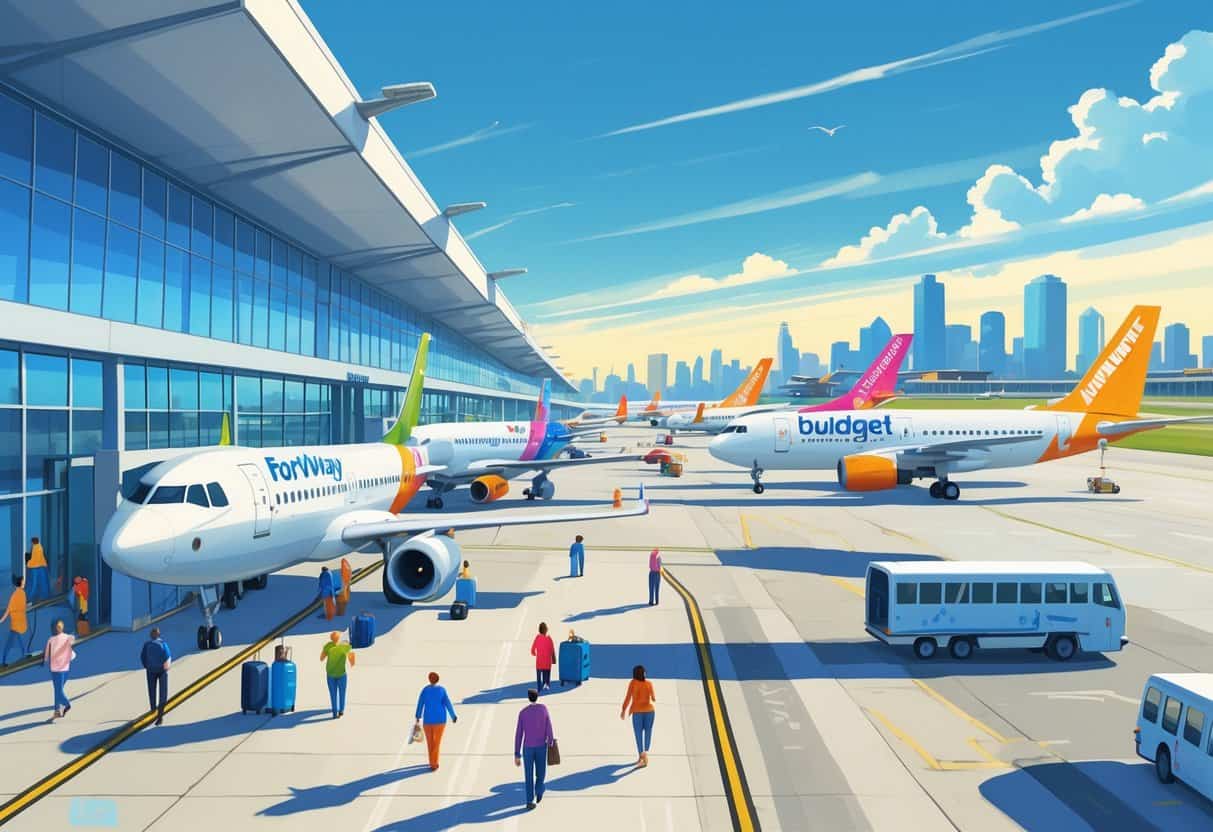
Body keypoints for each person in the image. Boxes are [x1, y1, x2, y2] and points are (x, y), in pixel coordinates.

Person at [514, 688, 555, 810]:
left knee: (528, 775)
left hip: (528, 748)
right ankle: (539, 790)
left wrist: (517, 754)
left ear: (528, 698)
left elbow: (519, 734)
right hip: (541, 746)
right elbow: (549, 726)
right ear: (537, 697)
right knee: (541, 772)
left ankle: (529, 801)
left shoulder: (523, 713)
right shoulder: (543, 709)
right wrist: (550, 741)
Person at [414, 671, 457, 770]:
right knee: (437, 742)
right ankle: (434, 763)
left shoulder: (425, 690)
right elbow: (447, 703)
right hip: (440, 720)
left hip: (428, 720)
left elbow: (420, 703)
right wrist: (453, 716)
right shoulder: (442, 690)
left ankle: (431, 762)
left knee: (430, 742)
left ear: (429, 679)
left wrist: (418, 716)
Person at [621, 664, 656, 767]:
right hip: (650, 711)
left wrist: (623, 710)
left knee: (638, 734)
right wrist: (651, 697)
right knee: (648, 731)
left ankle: (641, 756)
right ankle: (645, 753)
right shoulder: (649, 683)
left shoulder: (632, 683)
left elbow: (628, 698)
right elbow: (653, 698)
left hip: (637, 712)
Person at [43, 620, 74, 719]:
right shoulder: (68, 637)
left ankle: (66, 704)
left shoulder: (51, 639)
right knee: (58, 690)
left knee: (58, 691)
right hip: (66, 668)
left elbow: (46, 654)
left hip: (56, 669)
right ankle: (57, 711)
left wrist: (44, 660)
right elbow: (72, 642)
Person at [140, 627, 172, 725]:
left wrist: (147, 666)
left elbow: (142, 657)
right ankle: (160, 717)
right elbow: (168, 657)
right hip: (162, 671)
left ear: (151, 635)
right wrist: (166, 668)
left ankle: (153, 709)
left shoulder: (147, 645)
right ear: (159, 635)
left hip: (151, 670)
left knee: (152, 691)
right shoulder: (163, 644)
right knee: (163, 693)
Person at [321, 631, 355, 719]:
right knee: (342, 693)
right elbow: (352, 658)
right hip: (341, 674)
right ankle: (341, 710)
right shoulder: (344, 646)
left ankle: (334, 713)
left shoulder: (328, 646)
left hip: (330, 674)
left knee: (333, 694)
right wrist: (352, 662)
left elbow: (321, 658)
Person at [1, 575, 29, 666]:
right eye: (23, 582)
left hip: (17, 623)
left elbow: (9, 610)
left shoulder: (18, 594)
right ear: (19, 583)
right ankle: (4, 661)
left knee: (17, 641)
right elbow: (9, 610)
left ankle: (5, 660)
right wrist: (1, 620)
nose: (24, 583)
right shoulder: (19, 594)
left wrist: (1, 620)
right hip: (18, 624)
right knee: (12, 642)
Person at [531, 622, 556, 692]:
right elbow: (552, 649)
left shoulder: (537, 638)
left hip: (539, 662)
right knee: (546, 675)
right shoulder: (549, 638)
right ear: (546, 630)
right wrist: (554, 659)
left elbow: (533, 648)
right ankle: (546, 685)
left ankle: (539, 687)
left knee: (539, 676)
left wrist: (533, 653)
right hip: (547, 662)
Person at [26, 537, 49, 603]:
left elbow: (33, 559)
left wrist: (28, 564)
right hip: (42, 567)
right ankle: (44, 597)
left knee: (33, 584)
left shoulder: (34, 548)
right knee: (43, 583)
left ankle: (30, 598)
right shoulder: (40, 547)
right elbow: (42, 557)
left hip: (34, 568)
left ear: (33, 542)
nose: (31, 543)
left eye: (31, 542)